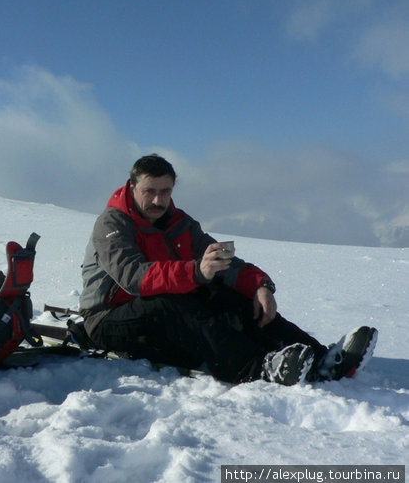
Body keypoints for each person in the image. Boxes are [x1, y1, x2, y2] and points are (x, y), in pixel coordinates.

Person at [79, 154, 377, 385]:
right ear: (132, 187)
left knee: (227, 294)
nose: (158, 200)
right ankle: (257, 368)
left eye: (165, 191)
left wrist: (259, 286)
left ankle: (324, 358)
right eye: (150, 191)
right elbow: (134, 278)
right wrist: (197, 272)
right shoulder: (113, 223)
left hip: (154, 307)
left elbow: (221, 260)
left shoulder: (179, 222)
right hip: (107, 317)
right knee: (173, 302)